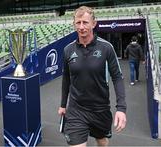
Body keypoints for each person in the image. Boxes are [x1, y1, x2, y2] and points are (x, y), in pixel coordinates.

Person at [58, 6, 127, 146]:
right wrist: (63, 104)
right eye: (78, 23)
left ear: (94, 23)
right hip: (76, 110)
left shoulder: (106, 47)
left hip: (100, 109)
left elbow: (117, 77)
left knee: (102, 142)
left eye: (85, 22)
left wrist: (121, 108)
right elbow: (66, 78)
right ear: (74, 24)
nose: (81, 27)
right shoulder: (68, 50)